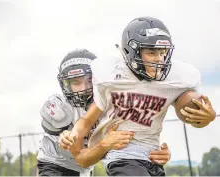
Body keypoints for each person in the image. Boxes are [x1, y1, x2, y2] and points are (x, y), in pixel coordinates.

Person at [59, 17, 216, 176]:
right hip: (122, 156)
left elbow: (191, 114)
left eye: (163, 52)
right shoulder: (110, 77)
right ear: (131, 51)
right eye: (151, 52)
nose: (159, 59)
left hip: (152, 157)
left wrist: (207, 117)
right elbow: (87, 120)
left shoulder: (177, 80)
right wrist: (74, 135)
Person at [37, 49, 135, 176]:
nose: (84, 88)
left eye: (89, 80)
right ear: (65, 84)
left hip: (85, 170)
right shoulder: (61, 106)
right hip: (55, 165)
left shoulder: (111, 104)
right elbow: (78, 153)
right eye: (76, 82)